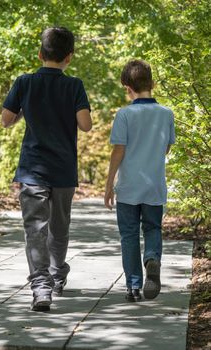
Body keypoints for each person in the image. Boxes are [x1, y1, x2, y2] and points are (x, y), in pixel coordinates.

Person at [1, 27, 92, 311]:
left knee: (35, 230)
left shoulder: (24, 82)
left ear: (40, 54)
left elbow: (6, 120)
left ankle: (42, 288)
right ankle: (56, 274)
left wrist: (25, 110)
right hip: (63, 170)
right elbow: (86, 125)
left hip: (32, 169)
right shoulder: (74, 85)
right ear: (70, 57)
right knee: (59, 227)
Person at [104, 59, 175, 301]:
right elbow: (165, 149)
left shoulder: (124, 114)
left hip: (129, 187)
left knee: (129, 234)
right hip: (154, 185)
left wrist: (108, 185)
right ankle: (152, 258)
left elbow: (118, 151)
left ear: (127, 87)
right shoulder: (166, 114)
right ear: (152, 83)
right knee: (153, 228)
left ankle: (133, 286)